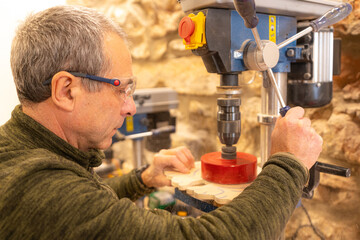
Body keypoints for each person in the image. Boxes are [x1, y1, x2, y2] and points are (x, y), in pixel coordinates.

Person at [0, 5, 323, 240]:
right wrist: (288, 164)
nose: (129, 107)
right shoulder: (40, 188)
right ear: (66, 90)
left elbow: (84, 206)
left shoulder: (24, 153)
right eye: (121, 88)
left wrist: (143, 178)